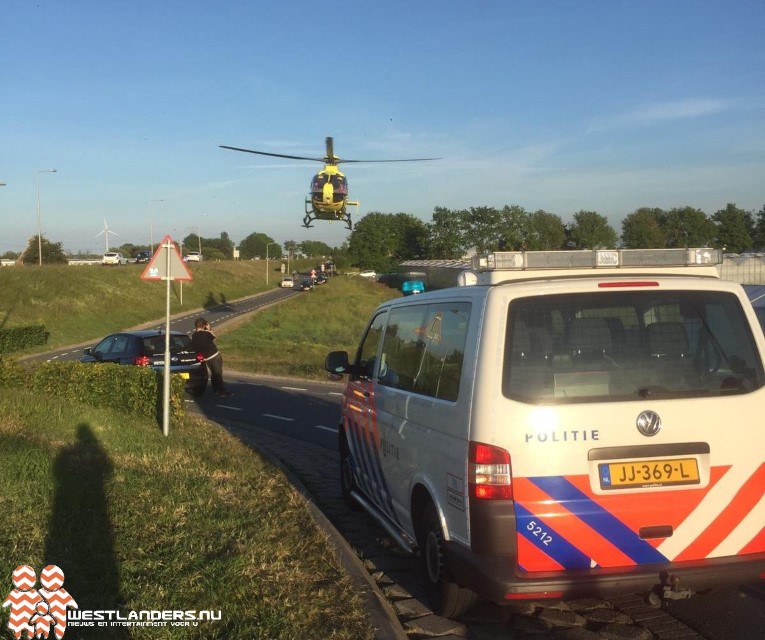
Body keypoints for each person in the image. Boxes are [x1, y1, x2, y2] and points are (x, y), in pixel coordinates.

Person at [190, 317, 232, 397]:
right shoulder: (206, 333)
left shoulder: (194, 336)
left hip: (206, 359)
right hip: (215, 356)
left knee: (213, 374)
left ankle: (215, 390)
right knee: (218, 374)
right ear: (204, 325)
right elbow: (214, 337)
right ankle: (222, 391)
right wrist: (209, 329)